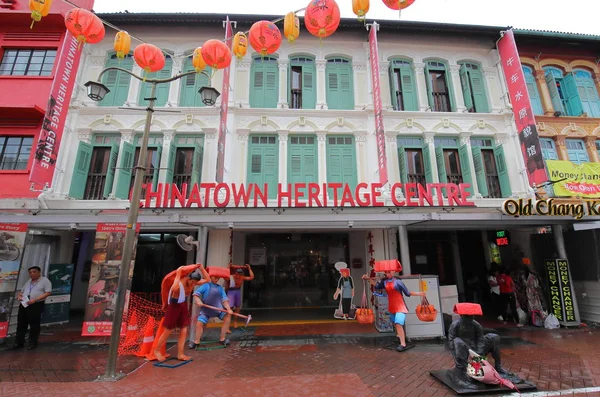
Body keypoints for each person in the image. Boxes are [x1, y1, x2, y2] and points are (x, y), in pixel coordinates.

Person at [154, 263, 209, 362]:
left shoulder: (194, 282)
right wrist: (178, 274)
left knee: (184, 329)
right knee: (168, 330)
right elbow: (174, 289)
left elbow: (208, 280)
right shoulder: (180, 282)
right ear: (188, 279)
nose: (193, 285)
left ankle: (180, 354)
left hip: (182, 304)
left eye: (195, 283)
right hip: (174, 305)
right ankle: (157, 350)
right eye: (192, 282)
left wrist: (202, 269)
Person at [447, 303, 509, 388]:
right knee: (457, 341)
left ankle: (498, 366)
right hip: (464, 350)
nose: (470, 319)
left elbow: (480, 339)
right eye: (467, 316)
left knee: (494, 337)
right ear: (462, 316)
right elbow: (451, 343)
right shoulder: (455, 325)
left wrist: (479, 353)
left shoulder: (476, 325)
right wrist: (458, 360)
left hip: (476, 350)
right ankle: (463, 370)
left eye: (471, 317)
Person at [363, 270, 425, 352]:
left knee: (398, 323)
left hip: (400, 306)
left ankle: (403, 344)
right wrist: (368, 279)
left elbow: (407, 293)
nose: (388, 274)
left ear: (393, 272)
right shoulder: (384, 282)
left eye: (389, 272)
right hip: (392, 306)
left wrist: (419, 294)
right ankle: (400, 337)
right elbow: (377, 286)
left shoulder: (398, 282)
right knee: (395, 324)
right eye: (386, 272)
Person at [12, 266, 52, 350]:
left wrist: (35, 300)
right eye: (30, 272)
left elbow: (48, 292)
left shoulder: (45, 281)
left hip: (36, 304)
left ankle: (32, 342)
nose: (32, 274)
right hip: (24, 304)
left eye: (34, 272)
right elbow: (22, 291)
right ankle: (19, 342)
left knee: (34, 324)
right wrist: (19, 296)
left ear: (39, 272)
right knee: (21, 323)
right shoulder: (28, 281)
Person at [192, 268, 233, 348]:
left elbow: (224, 300)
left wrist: (228, 309)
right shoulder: (205, 286)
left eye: (218, 278)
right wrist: (199, 301)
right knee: (199, 323)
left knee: (227, 317)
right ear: (211, 276)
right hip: (206, 311)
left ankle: (222, 338)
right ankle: (196, 342)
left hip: (218, 310)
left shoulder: (220, 288)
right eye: (215, 277)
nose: (217, 279)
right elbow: (196, 294)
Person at [226, 264, 254, 333]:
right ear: (235, 273)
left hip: (237, 291)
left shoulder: (242, 277)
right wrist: (228, 268)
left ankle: (235, 322)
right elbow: (225, 276)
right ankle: (227, 327)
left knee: (238, 307)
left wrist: (249, 269)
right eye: (237, 273)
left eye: (240, 274)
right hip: (231, 291)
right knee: (230, 308)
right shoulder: (231, 277)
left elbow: (251, 277)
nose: (238, 275)